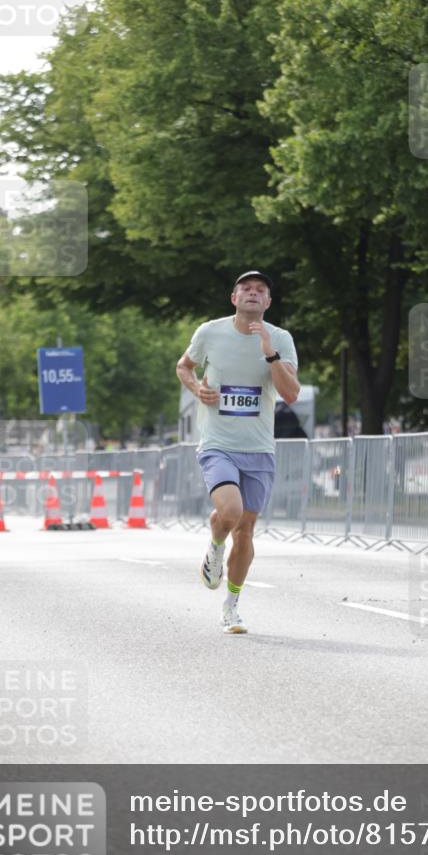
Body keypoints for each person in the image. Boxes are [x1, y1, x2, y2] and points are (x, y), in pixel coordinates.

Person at [176, 271, 300, 634]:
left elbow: (290, 393)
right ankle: (215, 546)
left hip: (259, 448)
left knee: (244, 531)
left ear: (268, 303)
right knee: (229, 510)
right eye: (246, 288)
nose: (253, 293)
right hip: (218, 443)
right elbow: (184, 366)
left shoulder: (280, 338)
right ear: (234, 298)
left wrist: (270, 353)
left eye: (260, 290)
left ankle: (231, 606)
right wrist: (198, 388)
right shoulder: (209, 331)